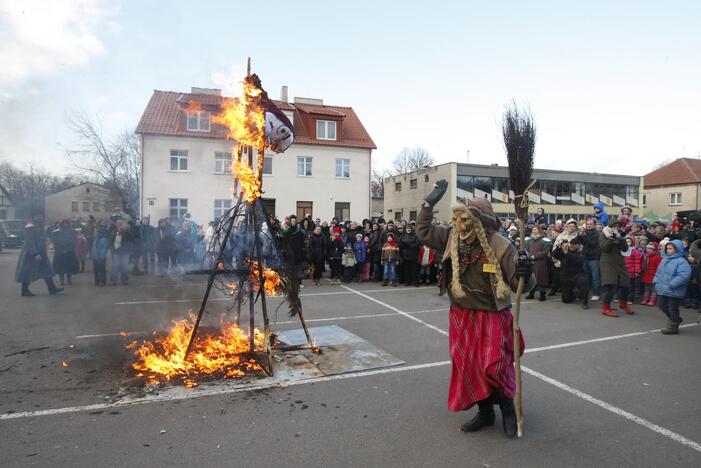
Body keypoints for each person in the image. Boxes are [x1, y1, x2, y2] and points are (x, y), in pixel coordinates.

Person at [416, 179, 533, 438]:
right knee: (468, 366)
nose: (462, 224)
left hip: (493, 316)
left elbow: (521, 285)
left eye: (469, 218)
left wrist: (527, 270)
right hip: (461, 314)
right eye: (460, 218)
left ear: (483, 222)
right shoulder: (450, 236)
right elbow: (423, 232)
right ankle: (486, 413)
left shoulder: (502, 246)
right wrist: (429, 202)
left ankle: (508, 411)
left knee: (495, 366)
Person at [653, 239, 692, 335]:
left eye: (670, 249)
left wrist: (672, 284)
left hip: (674, 290)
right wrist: (656, 281)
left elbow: (684, 275)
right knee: (661, 305)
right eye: (667, 248)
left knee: (672, 308)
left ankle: (673, 326)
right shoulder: (665, 259)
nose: (668, 250)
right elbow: (659, 272)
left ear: (677, 249)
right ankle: (676, 319)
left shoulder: (682, 262)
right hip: (663, 288)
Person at [15, 220, 63, 296]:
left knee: (46, 270)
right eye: (38, 216)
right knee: (28, 272)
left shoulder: (40, 226)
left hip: (41, 253)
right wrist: (35, 253)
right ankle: (24, 290)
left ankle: (52, 288)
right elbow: (30, 241)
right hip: (31, 254)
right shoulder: (30, 226)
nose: (40, 218)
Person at [599, 220, 634, 317]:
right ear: (610, 226)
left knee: (625, 284)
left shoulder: (619, 234)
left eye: (618, 226)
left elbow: (625, 249)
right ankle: (606, 308)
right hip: (607, 262)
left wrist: (621, 239)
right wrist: (611, 239)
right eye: (614, 226)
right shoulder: (603, 234)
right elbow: (604, 248)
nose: (616, 228)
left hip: (619, 262)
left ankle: (623, 304)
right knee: (610, 286)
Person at [551, 237, 589, 309]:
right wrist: (559, 247)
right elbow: (554, 255)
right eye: (571, 244)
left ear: (578, 246)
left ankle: (585, 301)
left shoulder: (581, 252)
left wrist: (566, 253)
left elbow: (577, 260)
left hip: (577, 275)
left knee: (584, 281)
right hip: (566, 277)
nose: (572, 246)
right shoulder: (565, 251)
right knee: (566, 300)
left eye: (574, 245)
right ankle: (575, 294)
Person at [524, 225, 552, 301]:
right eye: (533, 230)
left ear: (539, 231)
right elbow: (526, 250)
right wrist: (528, 255)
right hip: (531, 263)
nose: (534, 231)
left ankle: (542, 295)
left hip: (541, 263)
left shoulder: (545, 240)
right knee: (531, 279)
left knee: (541, 278)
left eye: (535, 230)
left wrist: (534, 256)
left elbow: (545, 252)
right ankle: (531, 293)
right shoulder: (529, 240)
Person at [52, 220, 79, 285]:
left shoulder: (72, 232)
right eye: (63, 223)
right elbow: (55, 243)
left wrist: (67, 250)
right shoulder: (56, 233)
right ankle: (61, 279)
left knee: (69, 267)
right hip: (59, 252)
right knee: (60, 267)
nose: (65, 225)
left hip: (69, 252)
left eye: (66, 223)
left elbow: (74, 242)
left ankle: (69, 279)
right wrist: (60, 250)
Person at [110, 219, 133, 285]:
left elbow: (131, 239)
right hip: (116, 252)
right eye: (118, 223)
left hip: (125, 252)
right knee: (115, 266)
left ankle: (124, 280)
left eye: (121, 223)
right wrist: (118, 232)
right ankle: (114, 281)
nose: (120, 225)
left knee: (125, 266)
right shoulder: (114, 231)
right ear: (116, 224)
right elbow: (111, 239)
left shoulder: (127, 231)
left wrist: (125, 230)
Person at [641, 242, 662, 306]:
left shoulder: (658, 257)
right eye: (647, 248)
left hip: (654, 275)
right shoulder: (645, 256)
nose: (648, 250)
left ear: (655, 250)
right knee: (647, 288)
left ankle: (652, 300)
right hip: (646, 274)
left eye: (651, 249)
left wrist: (658, 275)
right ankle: (645, 299)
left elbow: (659, 267)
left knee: (654, 289)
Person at [623, 236, 643, 304]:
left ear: (632, 243)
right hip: (623, 272)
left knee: (631, 286)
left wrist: (637, 271)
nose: (627, 243)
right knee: (623, 286)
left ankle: (630, 299)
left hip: (631, 272)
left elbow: (637, 262)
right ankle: (622, 298)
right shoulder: (622, 250)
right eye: (626, 241)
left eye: (629, 241)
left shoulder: (635, 252)